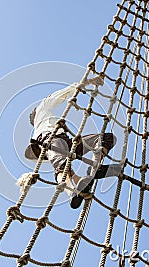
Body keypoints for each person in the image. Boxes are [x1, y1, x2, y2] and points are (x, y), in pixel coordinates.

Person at [24, 77, 121, 209]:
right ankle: (72, 191)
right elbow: (62, 94)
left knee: (105, 138)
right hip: (52, 139)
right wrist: (89, 81)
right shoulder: (41, 110)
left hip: (66, 142)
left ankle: (94, 168)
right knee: (61, 165)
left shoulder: (38, 129)